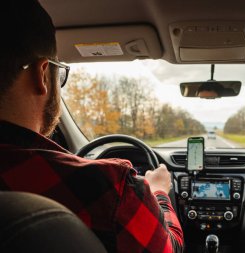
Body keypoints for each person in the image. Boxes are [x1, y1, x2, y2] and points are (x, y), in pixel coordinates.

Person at [0, 1, 183, 252]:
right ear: (42, 75)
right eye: (58, 73)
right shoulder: (113, 190)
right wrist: (159, 192)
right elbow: (170, 248)